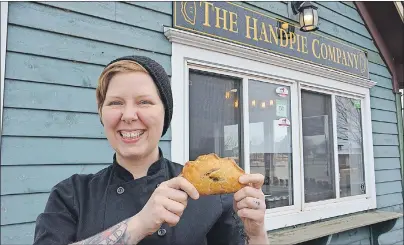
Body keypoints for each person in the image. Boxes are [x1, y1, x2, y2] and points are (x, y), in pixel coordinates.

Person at [33, 55, 269, 245]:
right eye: (115, 103)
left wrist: (257, 234)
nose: (128, 115)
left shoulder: (208, 196)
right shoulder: (71, 196)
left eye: (144, 102)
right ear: (102, 114)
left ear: (164, 113)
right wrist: (139, 225)